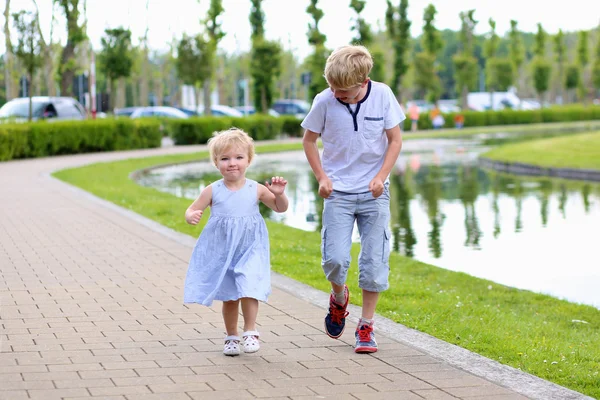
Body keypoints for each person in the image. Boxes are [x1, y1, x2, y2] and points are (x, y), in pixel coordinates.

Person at [301, 45, 405, 353]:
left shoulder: (384, 95)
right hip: (338, 194)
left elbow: (395, 139)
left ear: (364, 81)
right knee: (334, 259)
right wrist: (322, 177)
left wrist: (381, 176)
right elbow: (309, 140)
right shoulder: (324, 100)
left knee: (373, 262)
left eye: (343, 90)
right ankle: (339, 298)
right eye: (332, 86)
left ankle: (366, 325)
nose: (335, 93)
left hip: (374, 194)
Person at [183, 128, 289, 356]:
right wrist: (191, 215)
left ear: (248, 160)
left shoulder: (256, 189)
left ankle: (250, 331)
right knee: (230, 295)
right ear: (216, 162)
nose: (232, 163)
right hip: (224, 251)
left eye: (239, 157)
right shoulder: (213, 190)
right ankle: (231, 336)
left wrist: (279, 194)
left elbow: (280, 208)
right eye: (225, 158)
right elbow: (193, 208)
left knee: (249, 286)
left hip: (250, 248)